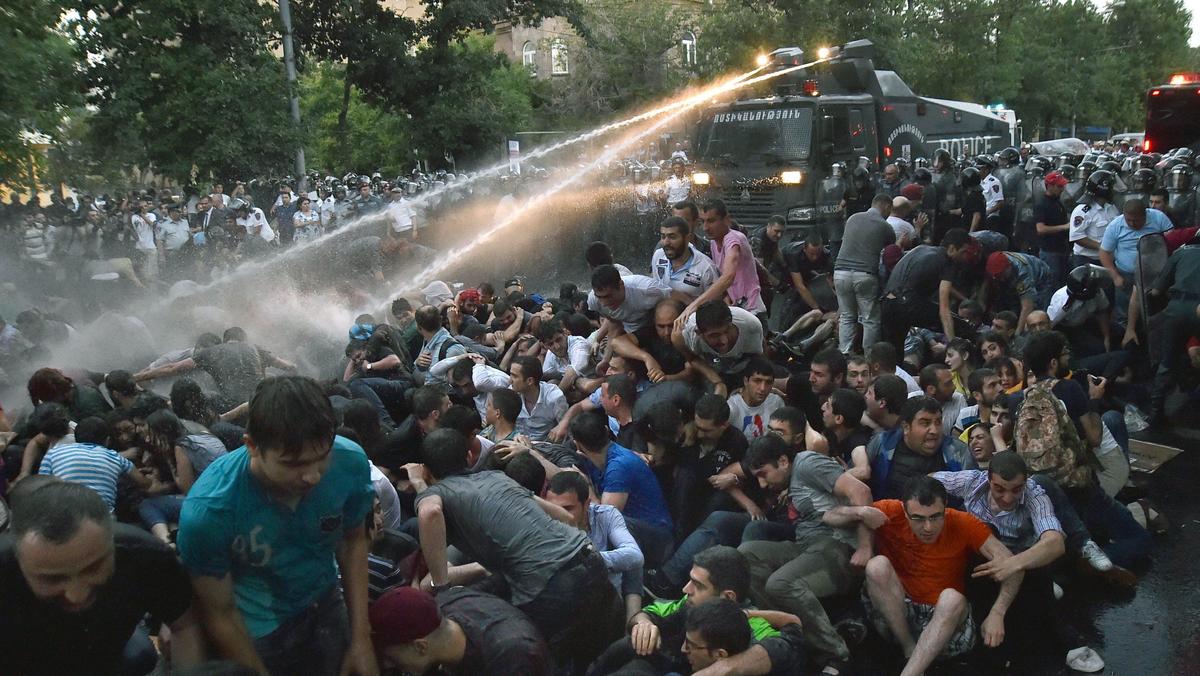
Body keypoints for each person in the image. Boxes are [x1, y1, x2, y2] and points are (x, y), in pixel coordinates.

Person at [177, 376, 378, 676]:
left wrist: (361, 639)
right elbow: (220, 612)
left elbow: (352, 543)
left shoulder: (349, 461)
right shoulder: (210, 511)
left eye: (321, 458)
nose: (312, 476)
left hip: (326, 602)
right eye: (293, 464)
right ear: (252, 446)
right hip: (260, 632)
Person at [408, 428, 614, 669]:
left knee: (532, 661)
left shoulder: (435, 493)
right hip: (590, 559)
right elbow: (565, 518)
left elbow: (430, 512)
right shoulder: (498, 477)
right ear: (468, 457)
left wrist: (442, 590)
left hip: (550, 585)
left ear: (427, 470)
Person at [0, 480, 204, 676]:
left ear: (112, 545)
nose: (76, 595)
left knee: (139, 655)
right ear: (18, 560)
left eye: (92, 569)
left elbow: (184, 625)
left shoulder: (144, 555)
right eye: (53, 579)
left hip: (106, 652)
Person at [931, 453, 1107, 673]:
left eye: (1016, 490)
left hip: (1021, 564)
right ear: (988, 479)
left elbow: (1055, 542)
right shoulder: (971, 481)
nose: (1007, 498)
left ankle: (1067, 640)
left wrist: (1013, 563)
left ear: (1025, 482)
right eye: (999, 489)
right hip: (981, 561)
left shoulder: (1035, 495)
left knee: (1038, 572)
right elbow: (929, 482)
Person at [832, 476, 1021, 676]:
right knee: (876, 566)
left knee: (952, 598)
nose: (928, 527)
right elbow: (829, 516)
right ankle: (909, 651)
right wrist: (860, 512)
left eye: (935, 517)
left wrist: (998, 612)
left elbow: (1013, 565)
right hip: (898, 613)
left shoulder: (963, 522)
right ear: (905, 511)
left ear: (945, 508)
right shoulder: (890, 511)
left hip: (945, 621)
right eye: (918, 518)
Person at [739, 433, 874, 674]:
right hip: (807, 545)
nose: (762, 484)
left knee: (779, 584)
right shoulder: (791, 478)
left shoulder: (807, 463)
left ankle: (836, 654)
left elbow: (861, 492)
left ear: (782, 461)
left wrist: (865, 547)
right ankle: (799, 639)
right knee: (745, 556)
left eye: (763, 474)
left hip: (839, 546)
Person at [598, 546, 805, 676]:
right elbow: (651, 613)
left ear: (728, 597)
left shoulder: (755, 628)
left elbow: (786, 647)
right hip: (672, 668)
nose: (685, 589)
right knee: (632, 646)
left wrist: (725, 668)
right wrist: (642, 623)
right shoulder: (691, 605)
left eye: (697, 585)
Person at [369, 586, 553, 676]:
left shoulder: (511, 657)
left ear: (421, 647)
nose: (389, 665)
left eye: (392, 658)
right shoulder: (442, 607)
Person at [545, 471, 645, 622]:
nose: (559, 515)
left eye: (568, 508)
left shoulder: (605, 515)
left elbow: (635, 556)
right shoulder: (544, 524)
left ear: (586, 504)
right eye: (553, 508)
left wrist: (588, 559)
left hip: (608, 606)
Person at [881, 228, 976, 348]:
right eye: (963, 252)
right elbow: (944, 309)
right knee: (964, 327)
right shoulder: (948, 262)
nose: (965, 257)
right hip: (907, 303)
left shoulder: (920, 249)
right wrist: (953, 345)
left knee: (894, 350)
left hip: (888, 299)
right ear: (952, 249)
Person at [865, 396, 974, 500]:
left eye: (938, 422)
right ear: (906, 427)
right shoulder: (882, 443)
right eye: (925, 423)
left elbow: (974, 496)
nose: (934, 431)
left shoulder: (959, 452)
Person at [680, 199, 764, 323]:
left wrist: (693, 306)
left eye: (711, 221)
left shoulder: (733, 239)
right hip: (734, 310)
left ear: (726, 219)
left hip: (752, 312)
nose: (705, 228)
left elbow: (728, 277)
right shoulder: (714, 243)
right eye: (703, 222)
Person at [833, 194, 896, 354]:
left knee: (847, 316)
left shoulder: (852, 218)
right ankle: (869, 357)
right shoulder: (885, 227)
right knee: (870, 319)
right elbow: (890, 253)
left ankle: (844, 354)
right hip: (865, 275)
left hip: (840, 272)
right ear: (887, 207)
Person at [1098, 199, 1172, 324]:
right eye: (1128, 220)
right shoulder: (1115, 226)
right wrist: (1115, 276)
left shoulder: (1158, 218)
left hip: (1155, 274)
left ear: (1145, 215)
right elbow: (1104, 252)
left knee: (1156, 308)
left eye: (1136, 220)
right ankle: (1126, 336)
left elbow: (1172, 240)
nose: (1132, 224)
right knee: (1124, 311)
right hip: (1126, 275)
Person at [676, 299, 764, 392]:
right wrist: (718, 383)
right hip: (710, 369)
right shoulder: (685, 334)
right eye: (715, 335)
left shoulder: (751, 327)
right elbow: (692, 359)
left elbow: (759, 357)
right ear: (699, 333)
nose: (724, 340)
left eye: (727, 331)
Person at [651, 216, 718, 301]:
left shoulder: (705, 267)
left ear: (687, 238)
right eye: (663, 237)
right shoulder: (658, 255)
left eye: (672, 237)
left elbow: (715, 303)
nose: (666, 242)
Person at [984, 251, 1053, 330]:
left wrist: (1017, 334)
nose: (1000, 278)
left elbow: (1027, 307)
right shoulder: (996, 262)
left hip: (1041, 282)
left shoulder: (1023, 273)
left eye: (1001, 274)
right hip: (1013, 281)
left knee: (1036, 314)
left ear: (1009, 266)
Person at [509, 356, 568, 441]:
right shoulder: (511, 393)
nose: (510, 380)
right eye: (510, 375)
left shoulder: (554, 398)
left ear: (530, 381)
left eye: (514, 376)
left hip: (546, 448)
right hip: (516, 443)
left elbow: (565, 428)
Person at [727, 357, 785, 440]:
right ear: (746, 381)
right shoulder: (732, 408)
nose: (762, 388)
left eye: (768, 382)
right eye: (757, 381)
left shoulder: (776, 402)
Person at [1035, 171, 1073, 294]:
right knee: (1051, 285)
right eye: (1059, 186)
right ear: (1050, 186)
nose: (1062, 189)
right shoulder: (1042, 204)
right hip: (1049, 251)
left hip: (1061, 249)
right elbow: (1040, 229)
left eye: (1062, 186)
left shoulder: (1057, 202)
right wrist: (1064, 227)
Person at [918, 362, 968, 432]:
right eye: (948, 384)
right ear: (931, 389)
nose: (954, 387)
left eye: (952, 381)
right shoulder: (912, 401)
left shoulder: (959, 399)